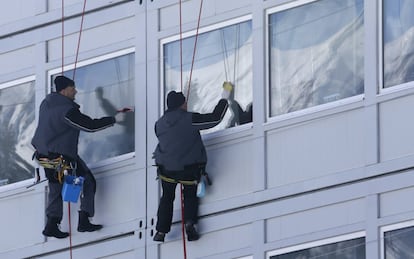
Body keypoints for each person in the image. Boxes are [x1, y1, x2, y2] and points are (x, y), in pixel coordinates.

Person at [32, 75, 122, 239]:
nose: (76, 91)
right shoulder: (67, 111)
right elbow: (89, 126)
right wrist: (113, 119)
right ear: (65, 90)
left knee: (56, 188)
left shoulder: (46, 104)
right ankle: (84, 220)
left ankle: (52, 224)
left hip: (45, 155)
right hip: (62, 157)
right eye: (73, 88)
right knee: (87, 181)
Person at [152, 82, 232, 242]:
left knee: (167, 197)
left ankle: (160, 231)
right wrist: (225, 96)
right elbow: (214, 119)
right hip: (188, 170)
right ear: (182, 104)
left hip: (166, 170)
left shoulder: (159, 124)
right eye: (185, 102)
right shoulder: (190, 119)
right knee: (189, 195)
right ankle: (189, 225)